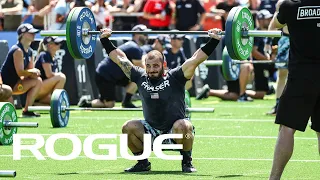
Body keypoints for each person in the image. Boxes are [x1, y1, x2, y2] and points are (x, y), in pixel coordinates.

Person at [99, 27, 222, 173]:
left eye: (156, 66)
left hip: (175, 131)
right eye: (149, 66)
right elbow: (120, 59)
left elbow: (195, 59)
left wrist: (214, 40)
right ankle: (142, 163)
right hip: (151, 131)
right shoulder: (139, 76)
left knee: (186, 127)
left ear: (163, 65)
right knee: (128, 127)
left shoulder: (175, 76)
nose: (152, 70)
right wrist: (104, 40)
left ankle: (187, 161)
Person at [268, 0, 320, 179]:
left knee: (287, 128)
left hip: (301, 78)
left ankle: (274, 178)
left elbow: (272, 28)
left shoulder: (289, 7)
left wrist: (285, 18)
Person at [78, 24, 147, 108]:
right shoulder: (134, 47)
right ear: (137, 34)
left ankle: (126, 102)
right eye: (144, 34)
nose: (147, 37)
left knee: (138, 79)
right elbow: (140, 69)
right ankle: (86, 104)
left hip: (114, 75)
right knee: (109, 104)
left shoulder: (133, 46)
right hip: (106, 75)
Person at [0, 23, 42, 117]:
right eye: (30, 33)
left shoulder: (30, 51)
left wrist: (33, 73)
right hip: (4, 87)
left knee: (37, 81)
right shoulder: (17, 50)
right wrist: (32, 71)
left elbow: (28, 72)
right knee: (10, 115)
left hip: (16, 84)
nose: (33, 34)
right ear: (22, 34)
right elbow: (20, 72)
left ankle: (27, 111)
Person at [245, 9, 276, 99]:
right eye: (267, 19)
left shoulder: (267, 33)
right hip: (258, 65)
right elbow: (254, 52)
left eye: (270, 18)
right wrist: (267, 59)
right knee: (260, 94)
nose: (269, 21)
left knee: (264, 92)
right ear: (260, 20)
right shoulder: (256, 33)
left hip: (264, 64)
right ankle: (241, 92)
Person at [34, 36, 66, 105]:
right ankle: (55, 103)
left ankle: (37, 104)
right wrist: (59, 75)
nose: (60, 45)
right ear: (50, 45)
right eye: (57, 43)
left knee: (54, 102)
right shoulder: (45, 55)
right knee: (62, 77)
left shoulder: (53, 58)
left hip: (42, 90)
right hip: (36, 89)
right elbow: (49, 75)